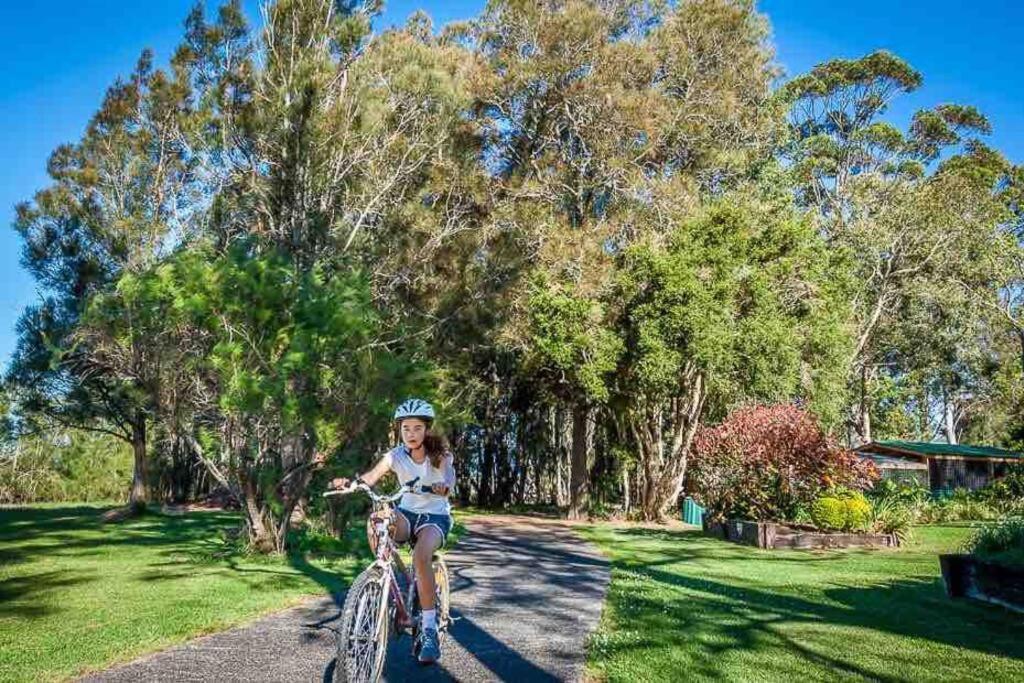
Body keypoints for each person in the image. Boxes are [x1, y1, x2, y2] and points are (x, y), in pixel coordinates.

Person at [330, 398, 455, 665]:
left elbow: (448, 476)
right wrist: (352, 483)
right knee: (378, 517)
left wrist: (444, 485)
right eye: (406, 428)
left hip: (435, 517)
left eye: (417, 428)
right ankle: (381, 577)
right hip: (407, 514)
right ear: (400, 429)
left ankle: (430, 628)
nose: (411, 434)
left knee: (421, 555)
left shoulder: (440, 454)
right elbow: (372, 475)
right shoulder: (395, 455)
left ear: (427, 429)